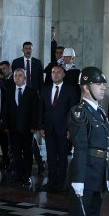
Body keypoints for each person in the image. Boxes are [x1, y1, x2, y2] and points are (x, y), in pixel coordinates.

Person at [64, 66, 109, 216]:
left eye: (103, 83)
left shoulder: (100, 112)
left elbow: (106, 149)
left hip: (98, 173)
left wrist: (108, 173)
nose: (103, 87)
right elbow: (81, 148)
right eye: (98, 83)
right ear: (85, 87)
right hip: (84, 174)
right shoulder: (79, 112)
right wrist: (78, 179)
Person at [39, 63, 78, 193]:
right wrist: (41, 127)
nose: (55, 75)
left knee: (62, 156)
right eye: (53, 72)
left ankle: (61, 183)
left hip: (63, 129)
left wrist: (70, 129)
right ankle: (51, 181)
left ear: (63, 74)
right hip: (48, 128)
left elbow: (72, 112)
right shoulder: (45, 89)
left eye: (58, 72)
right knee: (50, 156)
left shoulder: (71, 90)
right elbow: (41, 110)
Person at [2, 67, 40, 185]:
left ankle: (27, 175)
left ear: (25, 77)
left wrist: (34, 126)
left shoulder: (32, 92)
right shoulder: (8, 90)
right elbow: (6, 110)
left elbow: (35, 111)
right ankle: (17, 174)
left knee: (28, 153)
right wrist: (6, 126)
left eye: (19, 75)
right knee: (15, 152)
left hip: (28, 128)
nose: (17, 77)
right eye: (15, 76)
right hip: (13, 128)